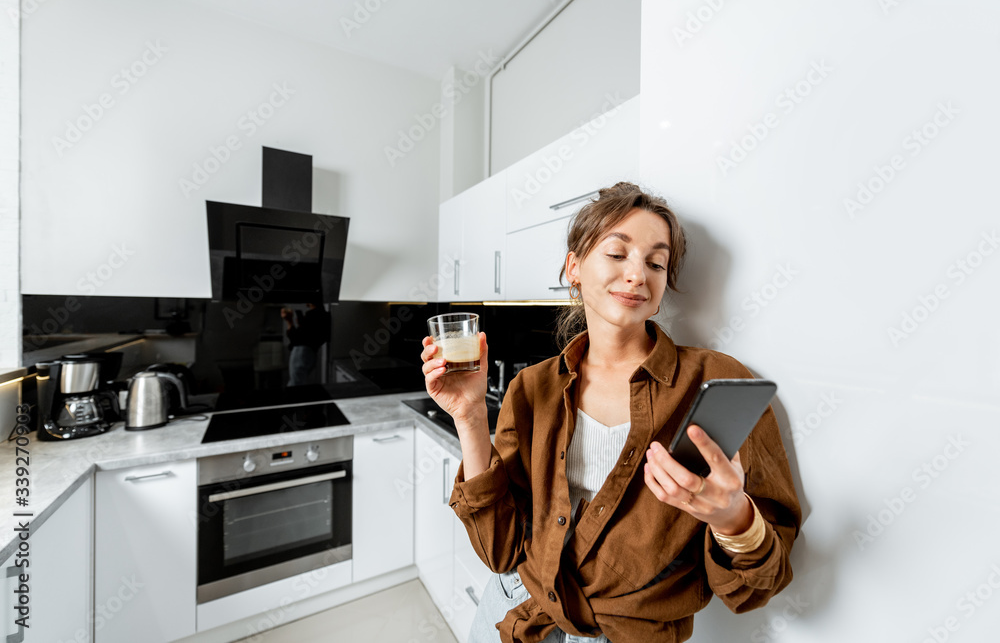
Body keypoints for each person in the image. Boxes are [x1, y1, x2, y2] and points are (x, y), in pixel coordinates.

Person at [420, 182, 801, 643]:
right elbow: (499, 550)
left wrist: (733, 518)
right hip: (517, 608)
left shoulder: (717, 382)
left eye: (655, 263)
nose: (637, 274)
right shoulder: (532, 387)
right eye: (617, 254)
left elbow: (764, 580)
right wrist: (469, 416)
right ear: (574, 267)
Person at [282, 302, 330, 386]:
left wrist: (289, 320)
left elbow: (295, 338)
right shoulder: (324, 315)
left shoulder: (313, 315)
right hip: (309, 352)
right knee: (298, 382)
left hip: (302, 352)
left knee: (295, 384)